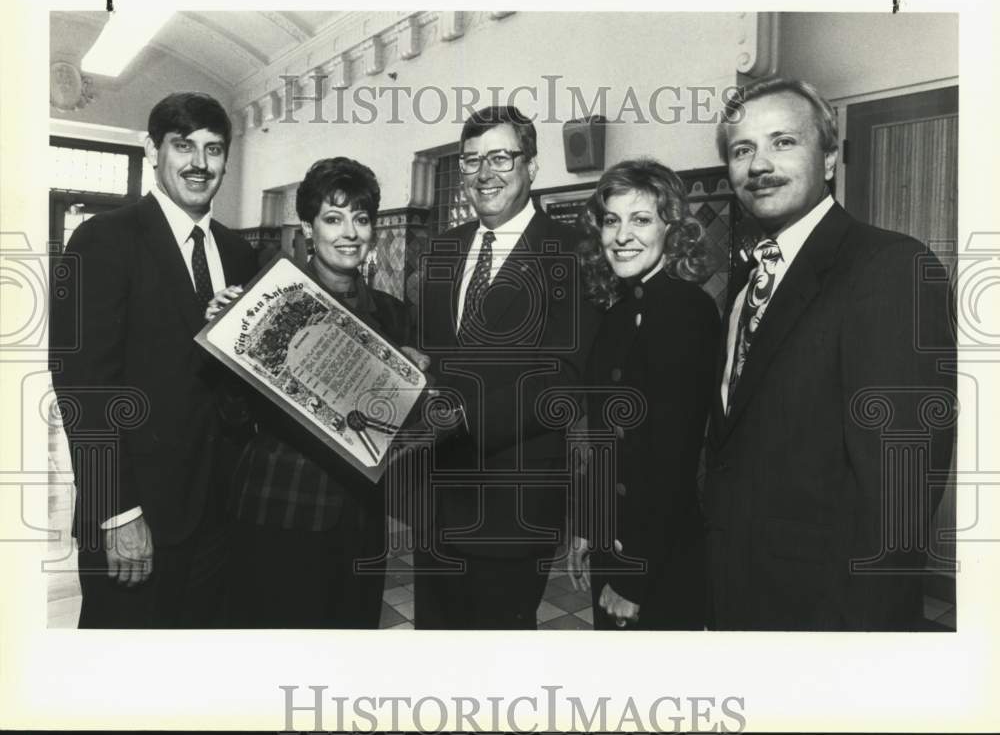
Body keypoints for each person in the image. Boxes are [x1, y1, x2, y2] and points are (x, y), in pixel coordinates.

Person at [704, 76, 956, 630]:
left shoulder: (889, 268)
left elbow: (899, 495)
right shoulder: (747, 282)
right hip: (739, 599)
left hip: (826, 619)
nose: (759, 164)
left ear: (829, 159)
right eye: (743, 149)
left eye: (783, 142)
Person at [49, 92, 258, 628]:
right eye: (183, 145)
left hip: (220, 515)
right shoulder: (104, 238)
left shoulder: (240, 254)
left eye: (213, 149)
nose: (199, 163)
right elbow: (83, 388)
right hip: (136, 515)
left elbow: (236, 390)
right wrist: (116, 512)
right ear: (153, 150)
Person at [208, 157, 425, 628]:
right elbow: (232, 416)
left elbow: (403, 429)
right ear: (308, 227)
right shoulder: (264, 298)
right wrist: (225, 340)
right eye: (333, 217)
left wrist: (414, 386)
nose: (349, 232)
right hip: (280, 507)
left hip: (360, 520)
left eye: (361, 219)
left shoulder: (393, 316)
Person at [411, 105, 601, 629]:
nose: (484, 173)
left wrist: (463, 417)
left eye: (500, 157)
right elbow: (431, 355)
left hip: (513, 509)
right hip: (434, 501)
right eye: (471, 160)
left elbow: (565, 378)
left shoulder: (572, 252)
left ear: (533, 166)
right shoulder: (442, 251)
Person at [567, 159, 720, 630]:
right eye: (612, 221)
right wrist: (589, 526)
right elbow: (605, 442)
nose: (622, 236)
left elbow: (673, 460)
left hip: (657, 556)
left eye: (641, 219)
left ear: (671, 230)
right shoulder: (616, 312)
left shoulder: (687, 310)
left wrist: (635, 576)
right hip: (614, 540)